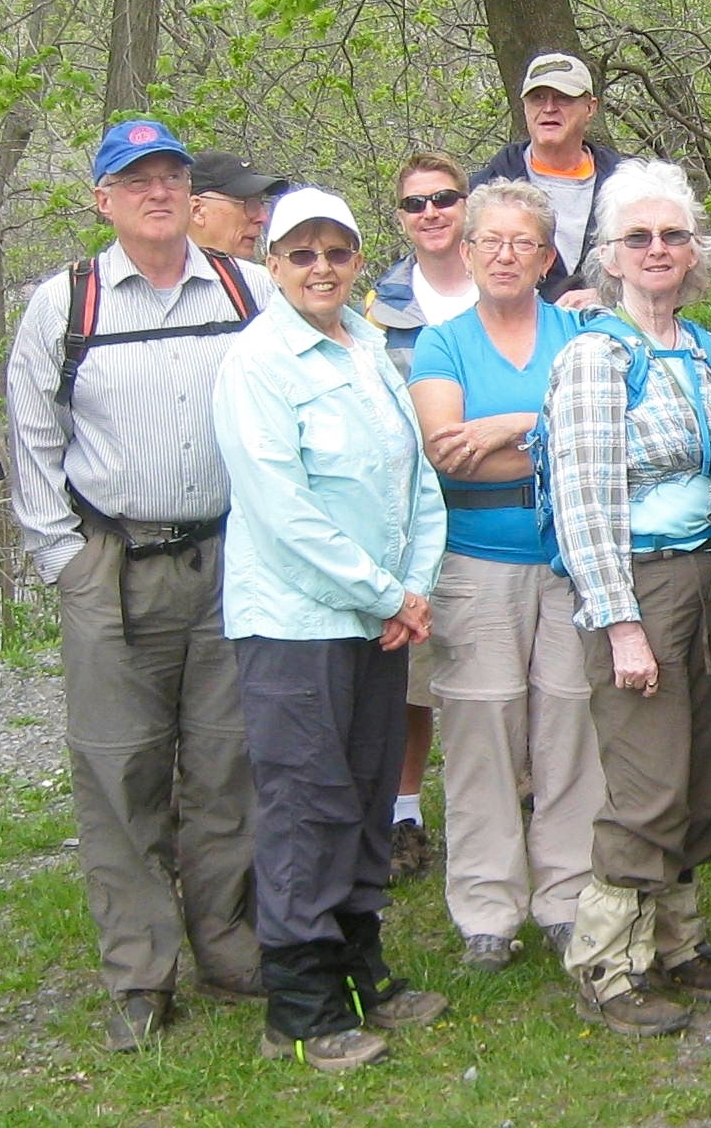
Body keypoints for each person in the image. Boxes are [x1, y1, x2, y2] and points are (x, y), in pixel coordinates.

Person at [6, 119, 275, 1053]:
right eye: (136, 179)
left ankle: (231, 945)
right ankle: (139, 971)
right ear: (103, 198)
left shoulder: (249, 288)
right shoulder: (64, 303)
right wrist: (62, 558)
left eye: (171, 176)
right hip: (111, 566)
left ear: (194, 196)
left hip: (232, 558)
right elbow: (31, 439)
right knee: (120, 771)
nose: (157, 191)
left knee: (224, 764)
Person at [214, 187, 451, 1069]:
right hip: (297, 622)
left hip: (378, 619)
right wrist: (382, 592)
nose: (321, 268)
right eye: (301, 253)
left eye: (337, 252)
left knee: (359, 794)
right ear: (271, 264)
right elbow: (282, 507)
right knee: (305, 804)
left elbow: (416, 479)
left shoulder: (365, 349)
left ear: (357, 260)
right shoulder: (259, 362)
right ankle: (302, 1000)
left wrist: (411, 587)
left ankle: (361, 962)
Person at [545, 158, 711, 1035]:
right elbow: (585, 497)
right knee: (648, 778)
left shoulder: (710, 350)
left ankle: (678, 938)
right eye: (640, 237)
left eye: (673, 234)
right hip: (641, 582)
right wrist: (621, 622)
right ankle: (606, 960)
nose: (659, 248)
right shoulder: (595, 357)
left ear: (695, 249)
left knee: (705, 768)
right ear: (611, 257)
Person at [406, 179, 599, 970]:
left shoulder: (579, 332)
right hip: (473, 562)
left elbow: (597, 442)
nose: (504, 255)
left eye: (523, 243)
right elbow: (445, 450)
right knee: (481, 730)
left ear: (547, 256)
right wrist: (550, 431)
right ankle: (487, 907)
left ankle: (569, 894)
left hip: (569, 555)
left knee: (570, 725)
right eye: (489, 240)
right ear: (467, 248)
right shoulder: (441, 342)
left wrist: (512, 425)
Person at [366, 151, 481, 882]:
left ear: (465, 205)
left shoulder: (510, 283)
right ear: (400, 218)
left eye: (443, 198)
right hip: (413, 517)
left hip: (500, 506)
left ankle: (514, 799)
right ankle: (404, 814)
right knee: (410, 680)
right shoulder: (378, 309)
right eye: (415, 203)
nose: (431, 212)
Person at [474, 51, 623, 301]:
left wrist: (608, 297)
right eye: (537, 98)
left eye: (563, 98)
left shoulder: (627, 187)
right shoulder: (488, 190)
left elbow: (666, 273)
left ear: (590, 107)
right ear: (524, 107)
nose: (549, 108)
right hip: (517, 334)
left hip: (614, 333)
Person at [188, 150, 290, 258]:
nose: (263, 218)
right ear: (198, 210)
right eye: (251, 205)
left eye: (261, 203)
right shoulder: (170, 273)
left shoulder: (258, 275)